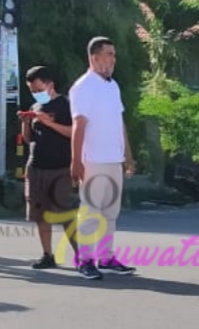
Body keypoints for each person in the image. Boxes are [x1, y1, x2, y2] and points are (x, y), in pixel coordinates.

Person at [68, 37, 137, 281]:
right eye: (109, 54)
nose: (113, 59)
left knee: (110, 212)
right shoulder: (83, 87)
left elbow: (119, 122)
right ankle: (85, 260)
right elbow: (79, 125)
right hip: (93, 160)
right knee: (90, 211)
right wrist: (76, 160)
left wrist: (127, 155)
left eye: (114, 55)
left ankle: (106, 257)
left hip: (113, 159)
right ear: (94, 57)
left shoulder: (112, 86)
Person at [22, 65, 78, 269]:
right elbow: (29, 139)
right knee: (41, 214)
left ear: (50, 85)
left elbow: (74, 133)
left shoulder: (65, 105)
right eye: (32, 91)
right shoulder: (36, 106)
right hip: (36, 166)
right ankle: (47, 254)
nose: (36, 94)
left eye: (39, 90)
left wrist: (48, 123)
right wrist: (26, 122)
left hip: (60, 168)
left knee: (65, 212)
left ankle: (81, 255)